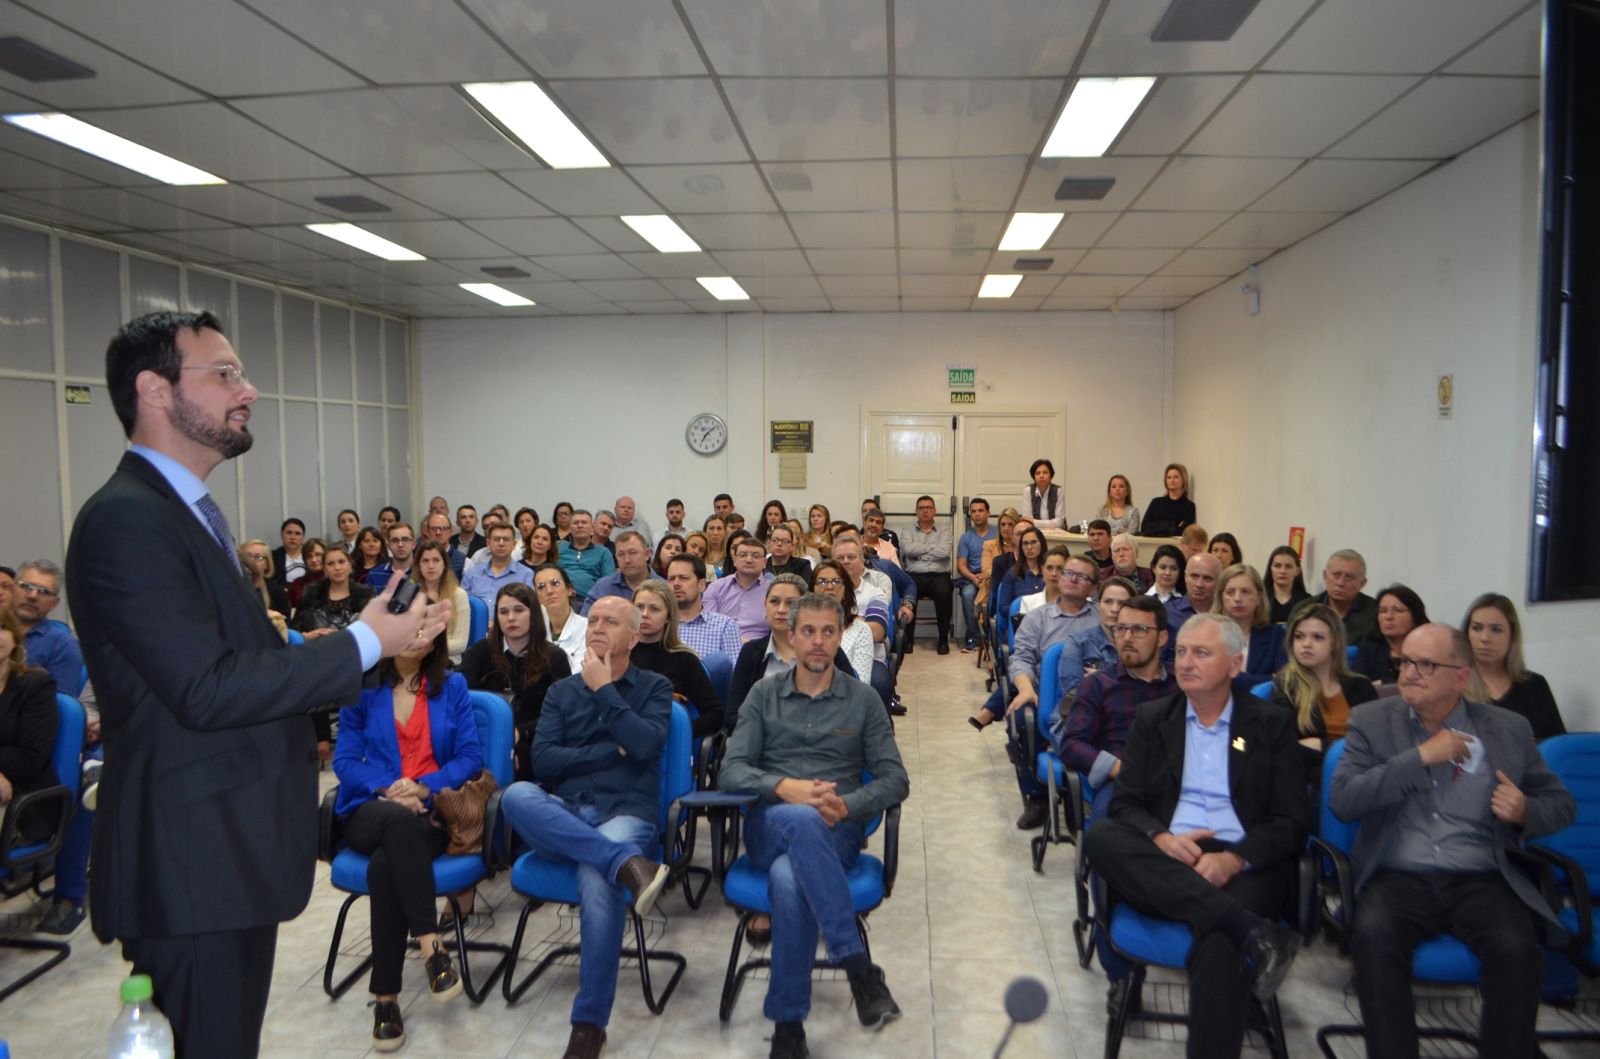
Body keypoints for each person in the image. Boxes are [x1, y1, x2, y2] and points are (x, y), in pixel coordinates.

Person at [66, 310, 448, 1057]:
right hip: (191, 862)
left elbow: (239, 665)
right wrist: (367, 639)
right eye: (225, 374)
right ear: (154, 389)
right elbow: (207, 688)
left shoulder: (182, 512)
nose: (252, 390)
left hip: (227, 851)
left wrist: (359, 639)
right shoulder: (127, 521)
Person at [1330, 623, 1575, 1059]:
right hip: (1397, 875)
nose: (1409, 673)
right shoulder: (1371, 721)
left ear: (1461, 676)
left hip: (1479, 876)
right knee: (1373, 938)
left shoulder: (1508, 729)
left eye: (1426, 664)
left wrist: (1524, 812)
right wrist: (1420, 757)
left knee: (1517, 950)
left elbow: (1560, 803)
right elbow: (1345, 801)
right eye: (1405, 662)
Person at [1083, 614, 1307, 1057]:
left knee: (1219, 943)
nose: (1185, 662)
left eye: (1201, 653)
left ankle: (1237, 929)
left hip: (1243, 863)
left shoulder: (1270, 724)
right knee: (1101, 835)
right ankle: (1253, 932)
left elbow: (1292, 820)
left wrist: (1233, 860)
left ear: (1236, 664)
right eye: (1181, 651)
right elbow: (1126, 803)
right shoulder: (1154, 718)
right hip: (1167, 856)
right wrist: (1161, 838)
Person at [718, 592, 909, 1059]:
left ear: (841, 635)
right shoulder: (764, 695)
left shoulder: (863, 700)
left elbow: (894, 780)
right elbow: (731, 770)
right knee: (799, 819)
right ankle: (857, 967)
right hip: (769, 825)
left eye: (828, 631)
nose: (818, 642)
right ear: (791, 634)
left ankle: (788, 1027)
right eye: (808, 631)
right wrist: (785, 787)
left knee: (788, 877)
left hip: (837, 830)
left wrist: (847, 806)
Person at [497, 597, 674, 1059]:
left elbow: (642, 744)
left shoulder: (655, 688)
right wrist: (606, 752)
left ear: (633, 638)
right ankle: (626, 865)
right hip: (565, 812)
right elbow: (545, 760)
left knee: (597, 880)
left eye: (610, 622)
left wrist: (604, 691)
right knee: (516, 796)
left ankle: (589, 1024)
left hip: (625, 813)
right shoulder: (561, 692)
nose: (596, 628)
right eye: (592, 620)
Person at [331, 626, 480, 1050]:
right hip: (369, 808)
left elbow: (470, 757)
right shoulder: (363, 689)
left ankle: (385, 1000)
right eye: (408, 629)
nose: (417, 637)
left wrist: (423, 787)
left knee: (384, 868)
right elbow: (344, 761)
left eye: (425, 630)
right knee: (394, 826)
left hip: (428, 812)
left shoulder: (452, 687)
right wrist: (390, 788)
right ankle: (432, 945)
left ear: (436, 640)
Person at [999, 553, 1101, 827]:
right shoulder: (1037, 618)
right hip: (1047, 694)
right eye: (1069, 573)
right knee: (1021, 717)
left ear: (1093, 587)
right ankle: (1038, 796)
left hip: (1093, 697)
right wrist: (1025, 689)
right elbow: (1020, 658)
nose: (1071, 579)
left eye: (1082, 576)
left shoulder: (1102, 618)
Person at [1053, 595, 1175, 815]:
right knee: (1108, 831)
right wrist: (1120, 768)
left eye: (1139, 630)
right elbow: (1072, 745)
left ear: (1162, 637)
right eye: (1121, 629)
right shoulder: (1098, 685)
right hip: (1122, 781)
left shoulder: (1182, 684)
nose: (1127, 638)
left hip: (1176, 780)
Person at [458, 582, 570, 781]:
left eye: (519, 610)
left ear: (533, 614)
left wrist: (520, 733)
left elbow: (561, 714)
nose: (510, 618)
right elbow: (464, 705)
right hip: (484, 737)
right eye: (503, 612)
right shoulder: (479, 652)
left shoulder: (555, 657)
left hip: (534, 739)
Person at [1271, 602, 1376, 781]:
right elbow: (1283, 746)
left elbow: (1376, 742)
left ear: (1335, 643)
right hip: (1315, 780)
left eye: (1318, 637)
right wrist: (1338, 749)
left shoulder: (1360, 686)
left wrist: (1322, 744)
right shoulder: (1287, 685)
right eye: (1299, 636)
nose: (1306, 644)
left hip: (1363, 774)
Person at [1462, 593, 1566, 740]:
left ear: (1512, 636)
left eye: (1496, 629)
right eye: (1477, 628)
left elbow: (1559, 745)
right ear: (1466, 634)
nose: (1484, 638)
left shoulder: (1535, 684)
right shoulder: (1455, 685)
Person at [630, 580, 722, 737]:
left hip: (666, 744)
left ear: (668, 616)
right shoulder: (618, 653)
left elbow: (715, 715)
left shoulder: (684, 658)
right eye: (639, 607)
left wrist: (677, 732)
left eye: (654, 609)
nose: (644, 614)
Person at [0, 607, 60, 848]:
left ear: (15, 637)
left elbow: (30, 758)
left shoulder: (36, 685)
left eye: (1, 627)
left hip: (22, 800)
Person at [9, 560, 85, 697]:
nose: (32, 596)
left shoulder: (62, 644)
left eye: (44, 592)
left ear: (54, 604)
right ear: (12, 589)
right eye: (26, 586)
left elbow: (59, 704)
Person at [1058, 575, 1137, 703]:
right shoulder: (1076, 642)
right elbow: (1073, 692)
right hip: (1081, 715)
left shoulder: (1142, 644)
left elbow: (1145, 690)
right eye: (1108, 602)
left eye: (1122, 603)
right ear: (1098, 604)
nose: (1114, 609)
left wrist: (1103, 678)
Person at [1212, 564, 1286, 680]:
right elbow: (1210, 679)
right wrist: (1266, 678)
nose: (1237, 598)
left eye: (1245, 592)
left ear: (1259, 597)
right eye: (1230, 592)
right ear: (1221, 597)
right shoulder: (1209, 634)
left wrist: (1231, 679)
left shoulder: (1275, 635)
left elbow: (1282, 681)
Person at [901, 495, 955, 654]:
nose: (925, 511)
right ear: (916, 511)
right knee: (907, 595)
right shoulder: (907, 531)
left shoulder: (945, 531)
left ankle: (943, 640)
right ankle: (908, 640)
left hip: (939, 576)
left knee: (945, 593)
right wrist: (932, 549)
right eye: (921, 508)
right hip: (913, 576)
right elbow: (908, 550)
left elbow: (944, 552)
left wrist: (918, 554)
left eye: (928, 507)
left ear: (935, 511)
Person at [665, 555, 742, 660]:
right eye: (671, 579)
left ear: (701, 585)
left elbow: (734, 672)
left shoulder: (725, 626)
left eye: (684, 578)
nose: (676, 584)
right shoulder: (660, 624)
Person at [810, 560, 876, 684]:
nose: (829, 587)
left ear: (845, 591)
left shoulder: (861, 630)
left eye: (836, 581)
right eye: (822, 581)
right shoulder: (801, 629)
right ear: (812, 590)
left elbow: (861, 685)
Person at [1352, 584, 1428, 686]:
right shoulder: (1368, 652)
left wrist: (1384, 684)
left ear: (1415, 615)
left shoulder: (1429, 651)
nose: (1389, 617)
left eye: (1398, 610)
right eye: (1383, 611)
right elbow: (1358, 690)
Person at [292, 546, 375, 638]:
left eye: (341, 562)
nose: (337, 567)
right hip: (317, 648)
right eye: (330, 564)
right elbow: (295, 631)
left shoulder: (366, 594)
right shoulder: (311, 593)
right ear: (324, 568)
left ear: (350, 565)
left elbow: (375, 631)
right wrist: (308, 636)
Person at [703, 536, 774, 641]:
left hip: (759, 649)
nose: (749, 560)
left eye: (756, 556)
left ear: (764, 563)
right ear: (734, 560)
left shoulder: (774, 590)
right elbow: (709, 624)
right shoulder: (716, 587)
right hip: (721, 645)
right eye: (743, 555)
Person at [412, 540, 469, 661]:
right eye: (425, 561)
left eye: (436, 560)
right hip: (415, 658)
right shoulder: (412, 595)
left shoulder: (459, 595)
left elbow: (461, 643)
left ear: (444, 564)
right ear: (419, 566)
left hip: (447, 660)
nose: (431, 566)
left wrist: (428, 646)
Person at [461, 523, 534, 614]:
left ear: (514, 544)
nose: (501, 543)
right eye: (496, 539)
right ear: (488, 543)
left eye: (506, 539)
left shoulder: (526, 575)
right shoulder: (472, 574)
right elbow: (461, 607)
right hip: (477, 626)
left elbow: (530, 609)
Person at [1312, 548, 1379, 645]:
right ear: (1325, 576)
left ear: (1362, 583)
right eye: (1336, 575)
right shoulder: (1305, 609)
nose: (1341, 583)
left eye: (1349, 577)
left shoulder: (1375, 612)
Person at [955, 498, 996, 653]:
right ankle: (973, 638)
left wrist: (987, 576)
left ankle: (992, 636)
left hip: (993, 576)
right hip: (972, 578)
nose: (977, 514)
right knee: (967, 594)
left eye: (981, 510)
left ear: (988, 513)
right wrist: (973, 578)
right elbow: (961, 565)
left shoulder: (997, 533)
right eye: (973, 511)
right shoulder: (966, 537)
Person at [580, 531, 656, 615]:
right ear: (616, 557)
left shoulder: (664, 587)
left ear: (647, 554)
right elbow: (584, 622)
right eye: (621, 554)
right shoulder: (603, 587)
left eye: (632, 553)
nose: (627, 560)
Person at [534, 563, 588, 673]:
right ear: (537, 597)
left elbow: (579, 673)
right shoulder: (531, 628)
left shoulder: (587, 628)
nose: (549, 591)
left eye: (555, 583)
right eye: (541, 587)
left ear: (569, 589)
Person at [995, 526, 1047, 619]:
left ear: (1042, 544)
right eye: (1025, 543)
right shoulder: (1013, 573)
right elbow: (1003, 608)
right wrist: (1025, 610)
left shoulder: (1050, 572)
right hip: (1021, 623)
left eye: (1033, 542)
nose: (1029, 547)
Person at [1165, 551, 1220, 631]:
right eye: (1194, 576)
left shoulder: (1227, 614)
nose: (1199, 584)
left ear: (1219, 581)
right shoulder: (1167, 614)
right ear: (1185, 577)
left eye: (1207, 578)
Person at [238, 540, 291, 620]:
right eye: (248, 556)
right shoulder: (232, 586)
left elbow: (285, 624)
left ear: (267, 564)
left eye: (259, 557)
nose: (252, 561)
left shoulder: (276, 591)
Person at [1141, 462, 1196, 537]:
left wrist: (1156, 526)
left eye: (1176, 477)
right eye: (1169, 477)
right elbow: (1144, 527)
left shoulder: (1189, 506)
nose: (1172, 480)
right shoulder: (1156, 502)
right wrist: (1172, 526)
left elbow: (1184, 532)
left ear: (1183, 479)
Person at [978, 507, 1020, 604]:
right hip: (993, 590)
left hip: (1018, 589)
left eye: (1010, 525)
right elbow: (986, 571)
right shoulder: (989, 545)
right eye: (1003, 524)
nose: (1006, 528)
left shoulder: (1022, 546)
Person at [1264, 545, 1309, 624]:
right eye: (1277, 566)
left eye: (1288, 566)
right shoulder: (1260, 599)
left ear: (1297, 571)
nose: (1282, 571)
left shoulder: (1307, 601)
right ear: (1270, 568)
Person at [365, 521, 418, 586]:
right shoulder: (374, 575)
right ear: (388, 546)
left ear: (414, 544)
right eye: (395, 540)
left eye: (405, 539)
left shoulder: (424, 573)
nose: (400, 544)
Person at [1021, 457, 1068, 529]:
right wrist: (1050, 523)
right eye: (1038, 473)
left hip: (1056, 534)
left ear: (1051, 476)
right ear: (1034, 477)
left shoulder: (1058, 491)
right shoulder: (1028, 490)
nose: (1041, 476)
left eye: (1045, 473)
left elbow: (1059, 522)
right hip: (1035, 533)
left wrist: (1034, 522)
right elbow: (1027, 521)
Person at [271, 517, 308, 586]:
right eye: (289, 533)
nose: (293, 537)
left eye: (297, 534)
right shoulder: (273, 557)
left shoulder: (310, 555)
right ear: (282, 536)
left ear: (303, 538)